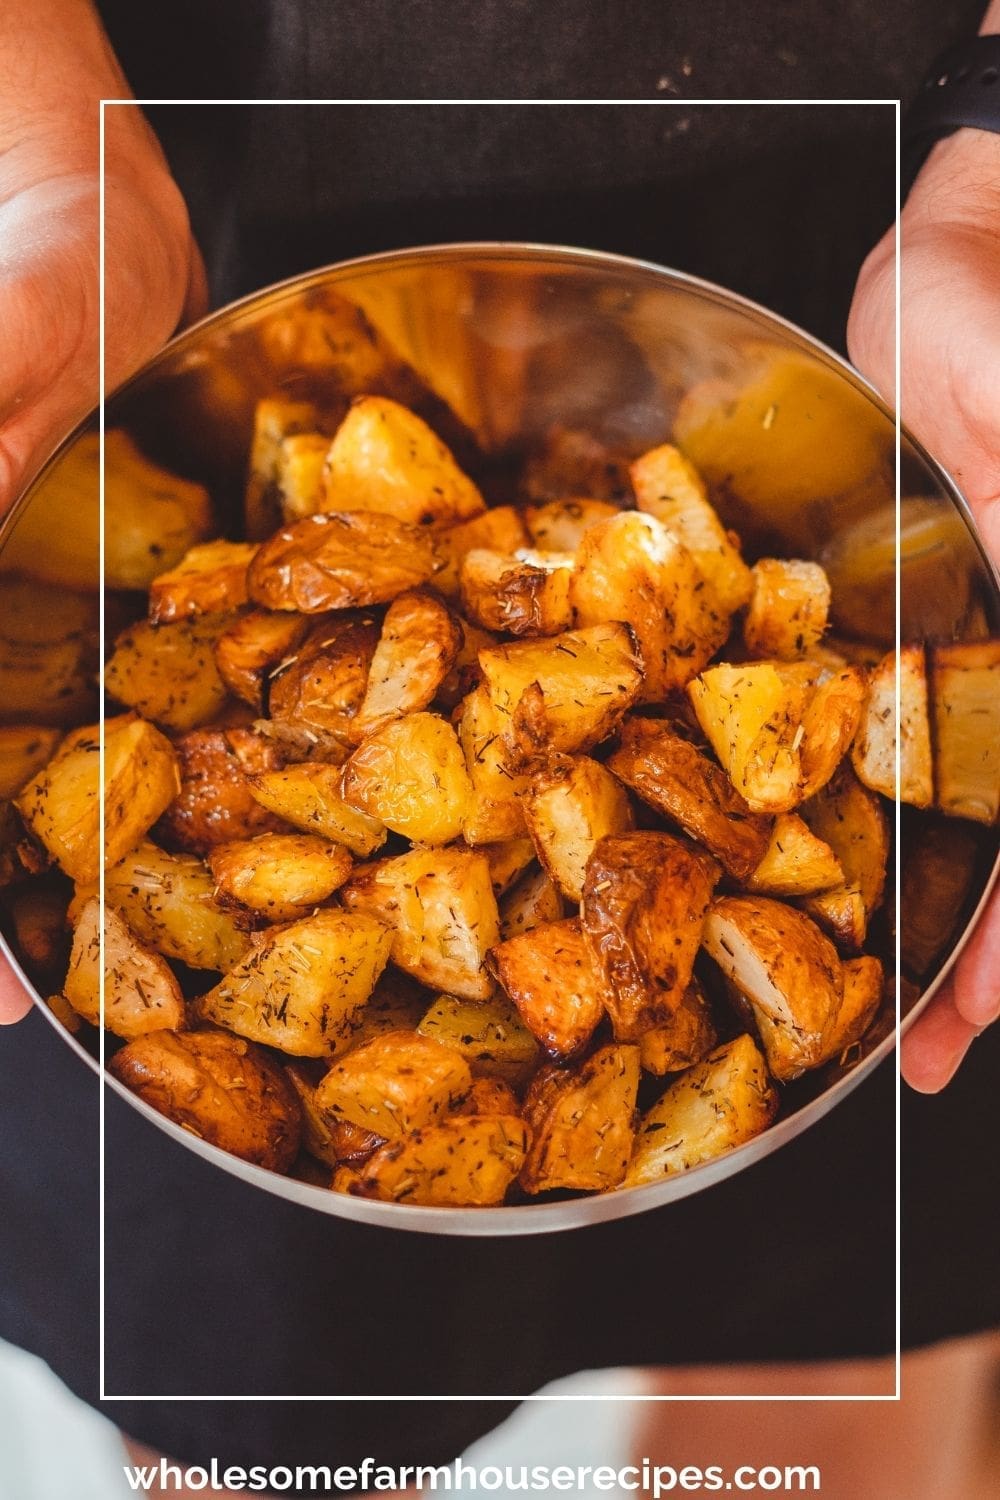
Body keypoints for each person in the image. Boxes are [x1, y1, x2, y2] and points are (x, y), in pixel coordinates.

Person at [0, 0, 997, 1488]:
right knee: (269, 1409)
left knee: (846, 1341)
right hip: (191, 178)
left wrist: (992, 156)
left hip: (884, 204)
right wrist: (36, 155)